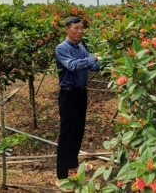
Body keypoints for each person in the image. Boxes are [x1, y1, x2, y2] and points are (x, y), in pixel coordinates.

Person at [54, 16, 100, 191]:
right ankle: (61, 176)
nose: (80, 31)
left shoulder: (81, 47)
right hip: (68, 95)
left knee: (78, 132)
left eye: (81, 28)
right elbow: (72, 65)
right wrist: (92, 59)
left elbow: (93, 66)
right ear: (67, 29)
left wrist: (99, 61)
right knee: (67, 134)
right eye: (76, 28)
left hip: (81, 94)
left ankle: (73, 168)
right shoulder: (61, 48)